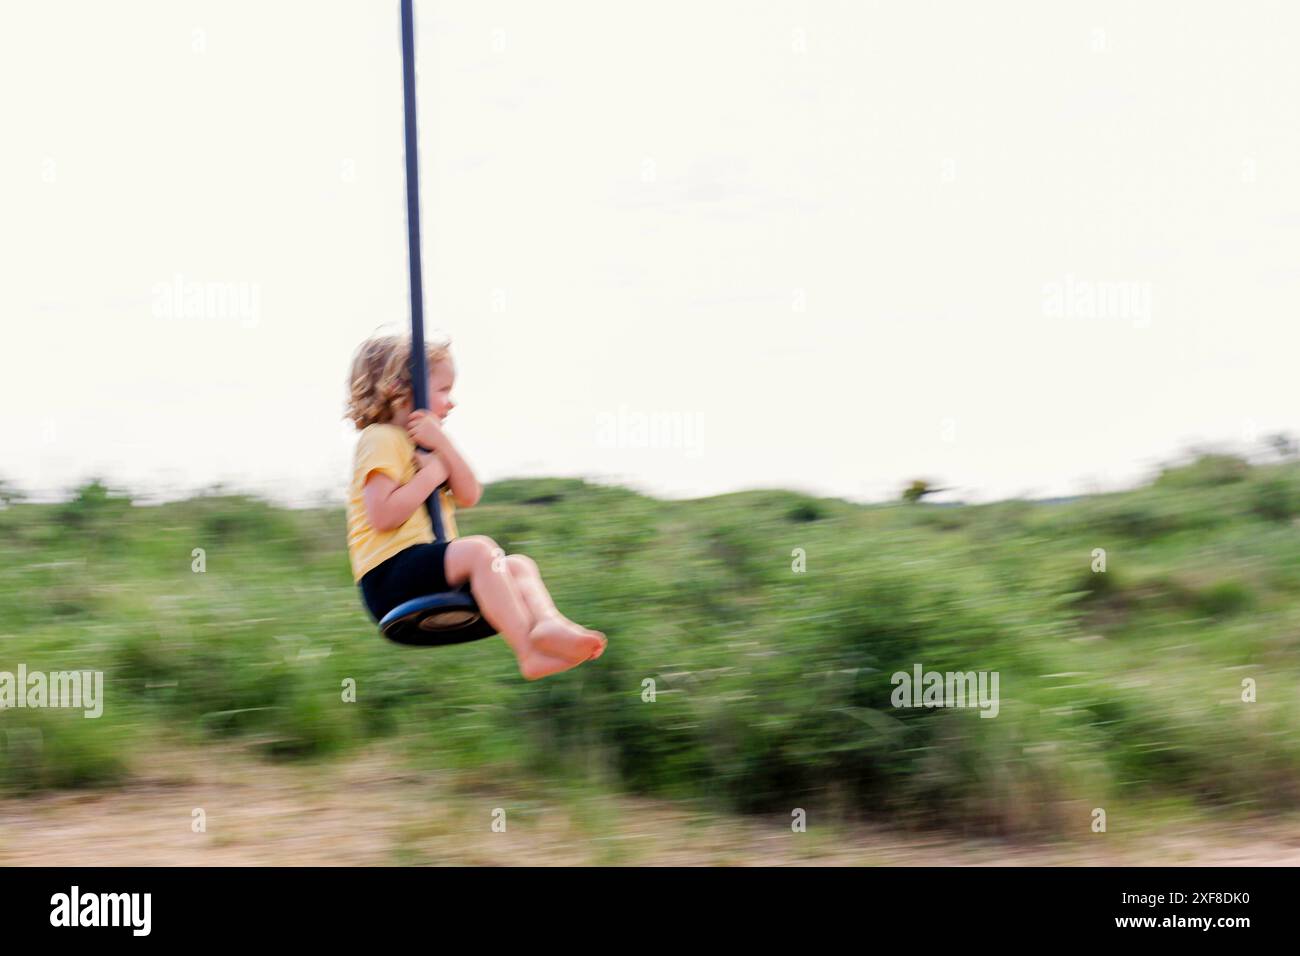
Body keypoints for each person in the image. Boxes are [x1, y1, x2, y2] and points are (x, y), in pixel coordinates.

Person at [344, 334, 606, 679]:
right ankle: (528, 652)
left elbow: (469, 495)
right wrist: (431, 476)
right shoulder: (381, 439)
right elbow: (383, 516)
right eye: (442, 390)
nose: (451, 403)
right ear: (399, 388)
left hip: (424, 567)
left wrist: (443, 446)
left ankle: (547, 624)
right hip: (388, 576)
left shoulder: (426, 447)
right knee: (480, 551)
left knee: (517, 566)